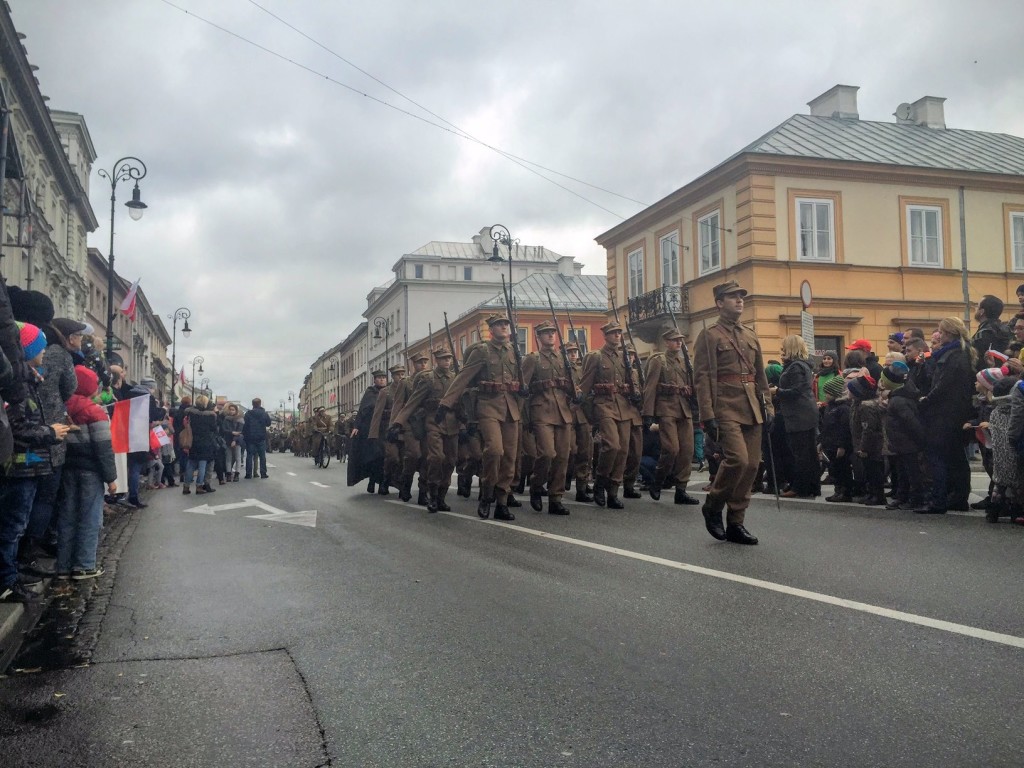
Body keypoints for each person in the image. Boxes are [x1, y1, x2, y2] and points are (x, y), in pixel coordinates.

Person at [693, 281, 772, 545]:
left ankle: (736, 521)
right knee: (737, 459)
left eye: (741, 297)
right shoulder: (710, 335)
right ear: (719, 303)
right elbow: (702, 377)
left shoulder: (750, 334)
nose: (739, 300)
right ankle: (713, 505)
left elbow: (759, 374)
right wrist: (707, 412)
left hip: (751, 405)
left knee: (751, 465)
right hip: (724, 405)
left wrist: (768, 404)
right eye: (732, 297)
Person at [0, 323, 71, 602]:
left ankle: (13, 571)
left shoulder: (30, 380)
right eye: (40, 347)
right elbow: (18, 427)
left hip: (29, 464)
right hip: (21, 464)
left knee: (18, 522)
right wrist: (50, 432)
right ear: (28, 350)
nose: (45, 352)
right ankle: (6, 580)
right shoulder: (19, 386)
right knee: (13, 524)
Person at [437, 314, 522, 521]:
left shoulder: (515, 351)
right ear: (491, 330)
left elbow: (521, 378)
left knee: (510, 457)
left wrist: (523, 390)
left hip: (511, 408)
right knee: (494, 450)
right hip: (488, 406)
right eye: (498, 325)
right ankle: (486, 493)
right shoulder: (482, 351)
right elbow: (463, 377)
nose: (503, 327)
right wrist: (446, 403)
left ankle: (501, 502)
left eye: (505, 324)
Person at [57, 365, 117, 580]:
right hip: (90, 470)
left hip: (66, 468)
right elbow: (103, 448)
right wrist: (111, 478)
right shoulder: (94, 411)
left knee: (67, 515)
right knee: (90, 516)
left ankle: (63, 565)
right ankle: (83, 565)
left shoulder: (61, 406)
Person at [918, 317, 977, 514]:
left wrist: (927, 400)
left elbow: (943, 385)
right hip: (954, 413)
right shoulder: (961, 353)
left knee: (937, 456)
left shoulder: (954, 355)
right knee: (955, 457)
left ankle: (939, 499)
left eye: (941, 332)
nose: (939, 334)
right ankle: (958, 498)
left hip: (945, 414)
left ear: (950, 333)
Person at [392, 348, 458, 512]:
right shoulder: (421, 380)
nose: (447, 361)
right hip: (425, 423)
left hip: (451, 423)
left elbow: (461, 401)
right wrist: (396, 423)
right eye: (444, 359)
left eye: (449, 358)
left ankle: (438, 495)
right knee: (429, 457)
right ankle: (426, 492)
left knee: (449, 461)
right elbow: (409, 404)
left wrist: (466, 423)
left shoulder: (455, 378)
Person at [579, 321, 635, 509]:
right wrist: (590, 413)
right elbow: (585, 387)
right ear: (605, 336)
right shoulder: (595, 357)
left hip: (623, 406)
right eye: (613, 333)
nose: (617, 335)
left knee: (623, 450)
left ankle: (613, 491)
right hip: (604, 406)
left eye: (619, 332)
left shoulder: (624, 356)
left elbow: (630, 382)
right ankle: (600, 482)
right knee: (612, 445)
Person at [521, 321, 573, 515]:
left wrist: (575, 393)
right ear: (539, 337)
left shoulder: (563, 358)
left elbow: (571, 384)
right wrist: (525, 418)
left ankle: (555, 498)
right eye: (546, 333)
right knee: (547, 454)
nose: (551, 336)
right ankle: (536, 485)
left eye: (552, 332)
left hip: (562, 411)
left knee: (562, 456)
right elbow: (523, 390)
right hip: (541, 410)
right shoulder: (532, 359)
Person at [641, 327, 698, 504]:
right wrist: (648, 413)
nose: (679, 342)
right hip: (666, 409)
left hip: (684, 409)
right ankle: (658, 481)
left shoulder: (684, 362)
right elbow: (650, 387)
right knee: (671, 449)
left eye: (680, 340)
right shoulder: (659, 361)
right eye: (675, 340)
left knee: (687, 451)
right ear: (666, 342)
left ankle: (681, 490)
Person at [775, 335, 820, 498]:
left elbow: (796, 391)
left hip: (799, 414)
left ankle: (801, 487)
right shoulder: (803, 365)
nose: (781, 350)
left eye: (784, 347)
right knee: (808, 452)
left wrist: (777, 391)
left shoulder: (795, 367)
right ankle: (811, 486)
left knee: (801, 453)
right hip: (804, 412)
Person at [182, 394, 218, 495]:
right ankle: (199, 486)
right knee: (202, 465)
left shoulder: (190, 413)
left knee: (191, 464)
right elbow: (214, 429)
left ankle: (186, 486)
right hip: (205, 442)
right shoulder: (211, 415)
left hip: (193, 440)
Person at [971, 295, 1010, 370]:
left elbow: (978, 362)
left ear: (982, 311)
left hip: (986, 376)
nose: (975, 308)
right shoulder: (1006, 329)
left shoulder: (982, 334)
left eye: (977, 306)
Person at [243, 397, 273, 479]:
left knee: (249, 456)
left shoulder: (248, 414)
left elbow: (245, 426)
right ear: (260, 404)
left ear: (252, 404)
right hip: (261, 437)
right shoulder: (264, 413)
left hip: (250, 438)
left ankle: (248, 474)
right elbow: (268, 423)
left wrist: (245, 436)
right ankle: (263, 473)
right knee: (262, 456)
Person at [220, 403, 245, 481]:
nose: (231, 411)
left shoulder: (240, 420)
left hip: (237, 441)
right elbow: (223, 429)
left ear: (236, 411)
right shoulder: (226, 419)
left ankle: (237, 474)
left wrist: (234, 440)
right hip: (228, 440)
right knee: (228, 458)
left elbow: (239, 431)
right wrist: (232, 432)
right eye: (230, 410)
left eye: (233, 410)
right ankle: (228, 474)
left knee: (238, 458)